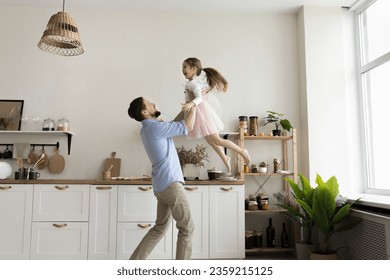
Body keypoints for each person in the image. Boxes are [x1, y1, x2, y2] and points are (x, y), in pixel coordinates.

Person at [127, 97, 196, 260]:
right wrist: (195, 103)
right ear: (144, 112)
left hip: (161, 186)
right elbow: (188, 126)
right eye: (149, 103)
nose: (154, 104)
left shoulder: (149, 128)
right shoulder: (156, 128)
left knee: (160, 227)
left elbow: (174, 123)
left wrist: (188, 104)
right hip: (171, 184)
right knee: (187, 228)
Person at [181, 57, 251, 172]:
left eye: (185, 67)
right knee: (210, 140)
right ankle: (225, 158)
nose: (182, 70)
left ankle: (242, 151)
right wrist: (188, 103)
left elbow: (198, 98)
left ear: (193, 69)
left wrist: (191, 104)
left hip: (202, 115)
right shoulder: (191, 83)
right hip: (197, 115)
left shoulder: (193, 84)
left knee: (217, 140)